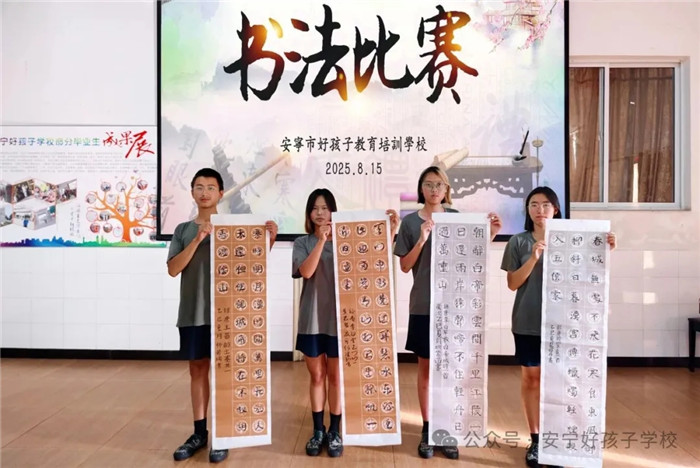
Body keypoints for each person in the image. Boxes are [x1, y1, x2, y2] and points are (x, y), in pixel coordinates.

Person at [167, 168, 278, 463]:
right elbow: (173, 269)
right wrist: (198, 239)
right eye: (199, 187)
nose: (204, 192)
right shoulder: (182, 230)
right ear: (192, 192)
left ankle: (223, 434)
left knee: (226, 371)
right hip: (193, 313)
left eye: (210, 187)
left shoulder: (233, 228)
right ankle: (199, 433)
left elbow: (252, 267)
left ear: (220, 193)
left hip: (227, 315)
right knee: (197, 370)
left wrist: (268, 241)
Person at [501, 186, 616, 468]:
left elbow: (588, 275)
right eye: (533, 204)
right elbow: (513, 283)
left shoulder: (573, 240)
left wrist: (606, 248)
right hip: (527, 321)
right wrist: (533, 258)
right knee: (532, 380)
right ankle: (536, 440)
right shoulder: (518, 242)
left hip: (565, 324)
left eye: (545, 205)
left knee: (561, 381)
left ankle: (558, 441)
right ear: (527, 210)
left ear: (556, 209)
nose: (539, 210)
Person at [394, 166, 502, 460]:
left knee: (451, 370)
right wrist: (422, 239)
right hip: (423, 306)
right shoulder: (410, 222)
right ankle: (428, 429)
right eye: (429, 184)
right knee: (426, 369)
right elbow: (404, 266)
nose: (434, 190)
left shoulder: (456, 218)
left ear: (446, 190)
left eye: (439, 185)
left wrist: (491, 234)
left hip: (455, 308)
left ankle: (446, 429)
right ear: (421, 188)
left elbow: (472, 255)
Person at [292, 188, 398, 458]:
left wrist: (390, 232)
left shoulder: (346, 241)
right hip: (312, 319)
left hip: (341, 320)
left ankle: (334, 431)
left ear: (333, 211)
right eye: (315, 208)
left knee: (336, 377)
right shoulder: (302, 242)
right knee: (317, 376)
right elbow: (306, 272)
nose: (320, 213)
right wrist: (321, 241)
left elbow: (372, 263)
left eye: (325, 208)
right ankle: (318, 431)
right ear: (308, 213)